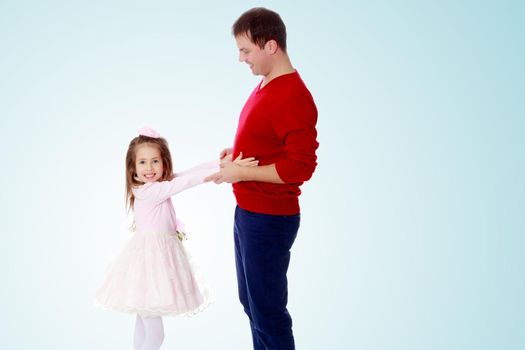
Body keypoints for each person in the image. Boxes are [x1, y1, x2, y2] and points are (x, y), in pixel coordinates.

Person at [206, 7, 319, 350]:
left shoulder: (293, 96)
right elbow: (269, 142)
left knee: (268, 312)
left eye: (245, 50)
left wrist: (242, 172)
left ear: (271, 46)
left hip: (269, 218)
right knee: (251, 304)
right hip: (248, 211)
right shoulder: (267, 84)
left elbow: (300, 166)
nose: (241, 59)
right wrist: (237, 153)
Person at [95, 126, 257, 350]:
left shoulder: (156, 187)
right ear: (132, 168)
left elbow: (187, 173)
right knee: (156, 336)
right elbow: (187, 182)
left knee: (143, 329)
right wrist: (228, 168)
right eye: (142, 162)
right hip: (149, 267)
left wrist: (223, 163)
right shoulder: (149, 192)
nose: (149, 168)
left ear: (164, 163)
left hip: (148, 264)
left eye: (155, 161)